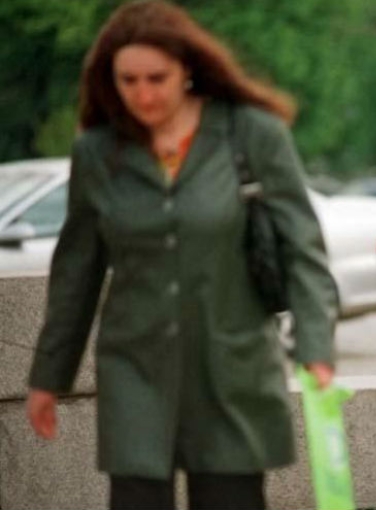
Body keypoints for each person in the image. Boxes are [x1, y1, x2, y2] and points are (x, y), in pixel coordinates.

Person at [25, 2, 338, 509]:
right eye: (128, 81)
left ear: (187, 68)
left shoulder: (252, 133)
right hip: (134, 373)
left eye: (157, 78)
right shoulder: (98, 153)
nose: (143, 95)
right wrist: (47, 377)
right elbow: (76, 272)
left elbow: (304, 251)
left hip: (232, 371)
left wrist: (316, 347)